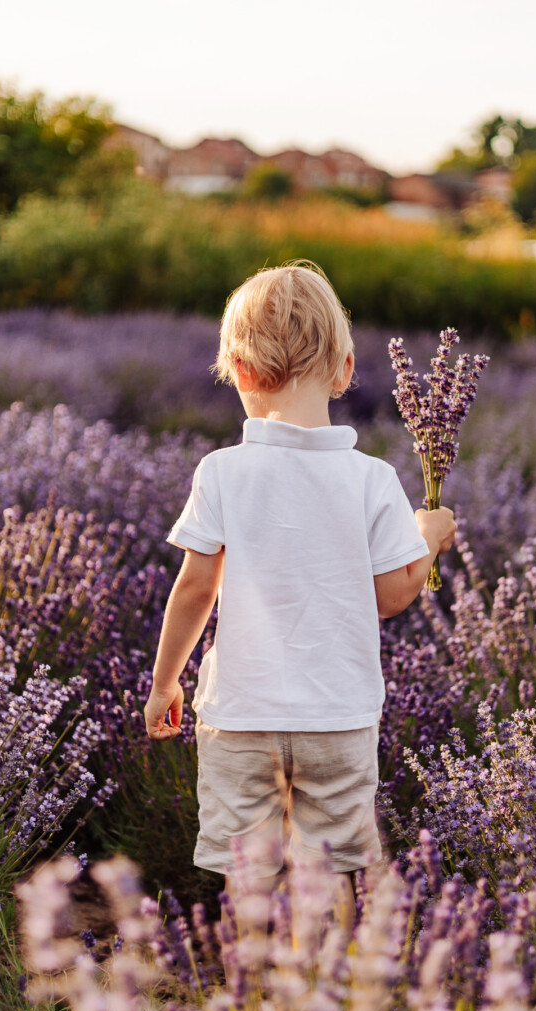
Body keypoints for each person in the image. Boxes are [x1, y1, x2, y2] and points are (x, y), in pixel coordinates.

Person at [144, 261, 456, 932]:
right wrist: (427, 539)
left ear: (240, 372)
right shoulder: (372, 480)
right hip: (338, 721)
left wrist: (166, 681)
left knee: (252, 877)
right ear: (344, 372)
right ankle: (329, 1001)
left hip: (240, 719)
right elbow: (392, 597)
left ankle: (259, 1002)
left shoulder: (221, 472)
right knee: (330, 869)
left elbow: (197, 586)